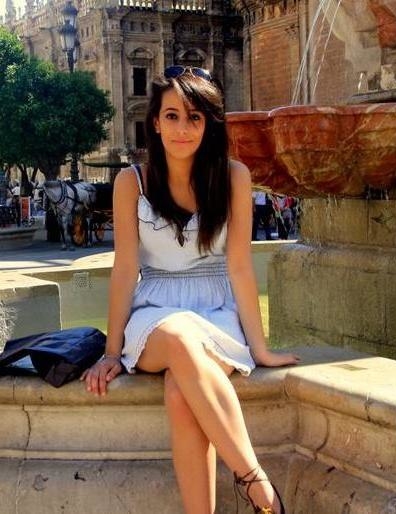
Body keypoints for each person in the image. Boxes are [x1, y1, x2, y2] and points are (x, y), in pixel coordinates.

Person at [81, 65, 299, 514]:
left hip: (216, 310)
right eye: (173, 116)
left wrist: (260, 349)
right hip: (154, 314)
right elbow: (124, 270)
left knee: (182, 393)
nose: (183, 128)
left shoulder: (234, 176)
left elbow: (239, 267)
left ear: (208, 124)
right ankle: (256, 483)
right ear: (156, 122)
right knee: (180, 336)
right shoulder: (131, 183)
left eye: (194, 117)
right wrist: (111, 352)